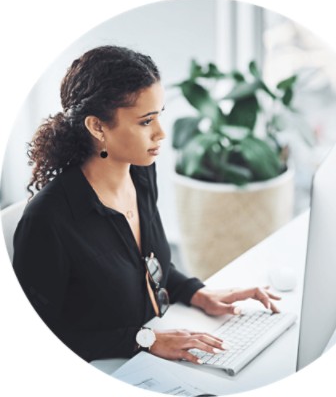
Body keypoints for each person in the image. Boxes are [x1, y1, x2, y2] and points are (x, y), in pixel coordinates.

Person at [13, 45, 281, 364]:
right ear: (97, 127)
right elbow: (36, 337)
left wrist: (196, 293)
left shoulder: (141, 173)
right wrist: (145, 340)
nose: (161, 133)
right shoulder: (48, 219)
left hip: (154, 350)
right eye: (145, 122)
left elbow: (148, 263)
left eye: (159, 116)